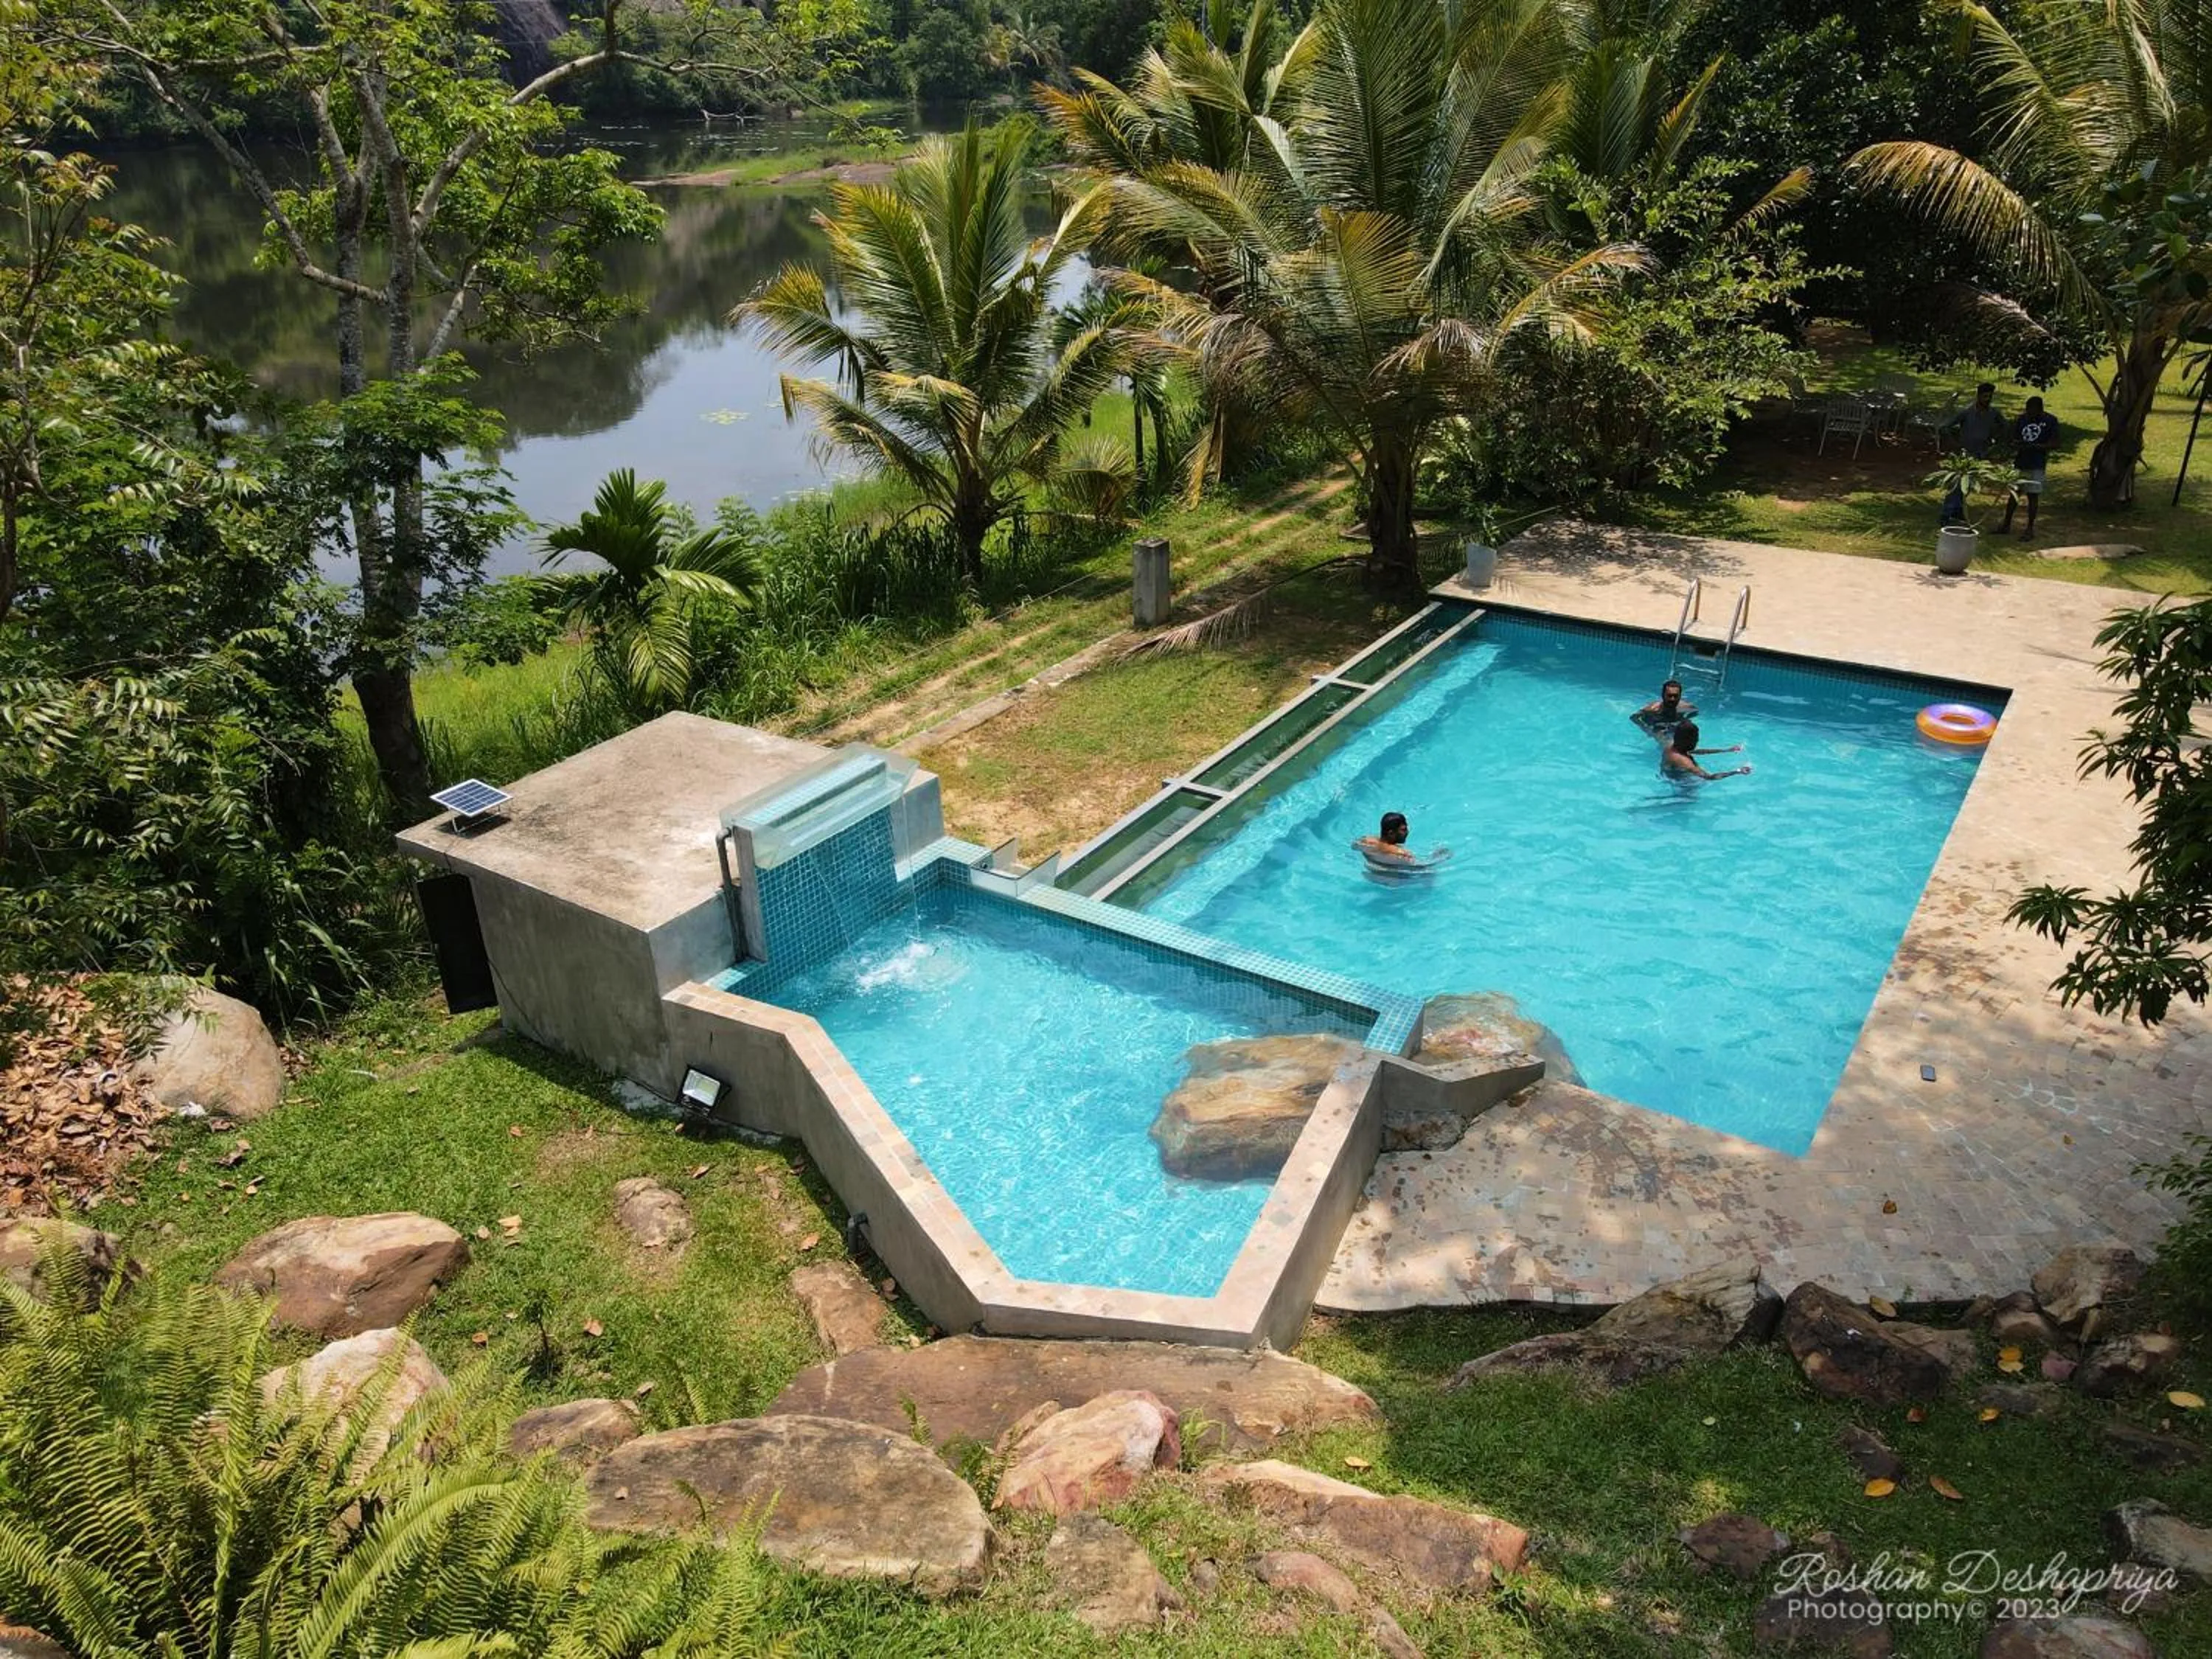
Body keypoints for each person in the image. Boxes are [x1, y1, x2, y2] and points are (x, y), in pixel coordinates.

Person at [1941, 383, 2004, 523]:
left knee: (1968, 486)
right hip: (1964, 454)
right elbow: (1946, 427)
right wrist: (1955, 444)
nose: (1987, 400)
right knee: (1957, 485)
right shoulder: (1967, 412)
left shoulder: (1994, 414)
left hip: (1980, 454)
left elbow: (2004, 428)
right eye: (1985, 396)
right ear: (1978, 396)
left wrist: (1994, 444)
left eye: (1990, 397)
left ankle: (1958, 511)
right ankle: (1946, 514)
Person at [2000, 396, 2059, 539]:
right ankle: (2006, 524)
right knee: (2014, 494)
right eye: (2028, 410)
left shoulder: (2050, 421)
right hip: (2021, 462)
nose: (2030, 413)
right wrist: (2015, 444)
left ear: (2040, 410)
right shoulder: (2022, 419)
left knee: (2032, 497)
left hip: (2037, 464)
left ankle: (2030, 528)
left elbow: (2056, 443)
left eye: (2033, 411)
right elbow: (2013, 438)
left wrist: (2037, 447)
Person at [1660, 720, 1751, 781]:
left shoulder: (1673, 745)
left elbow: (1699, 751)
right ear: (1687, 741)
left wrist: (1726, 750)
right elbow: (1709, 777)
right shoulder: (1684, 762)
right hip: (1681, 784)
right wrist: (1738, 771)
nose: (1697, 741)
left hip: (1672, 775)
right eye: (1695, 739)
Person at [1631, 680, 1698, 739]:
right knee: (1664, 740)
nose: (1672, 699)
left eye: (1675, 696)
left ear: (1680, 696)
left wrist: (1686, 719)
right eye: (1669, 696)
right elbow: (1634, 717)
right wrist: (1647, 729)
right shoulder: (1653, 709)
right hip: (1657, 726)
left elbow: (1695, 712)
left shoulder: (1686, 707)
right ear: (1663, 695)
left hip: (1674, 725)